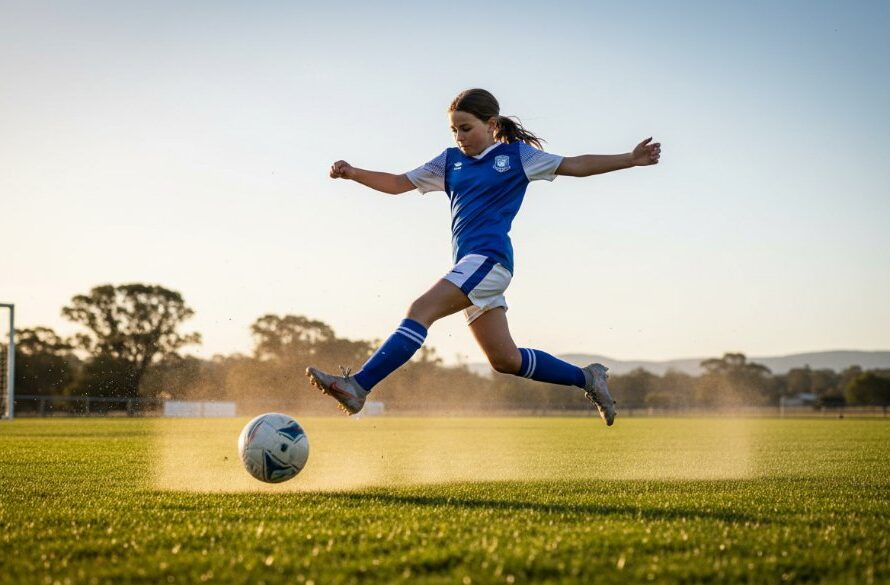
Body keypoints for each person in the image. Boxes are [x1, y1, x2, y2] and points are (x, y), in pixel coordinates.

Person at [307, 88, 661, 426]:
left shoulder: (518, 156)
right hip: (470, 267)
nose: (459, 136)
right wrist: (354, 174)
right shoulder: (449, 162)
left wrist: (630, 159)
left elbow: (575, 164)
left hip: (489, 259)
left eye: (466, 128)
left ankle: (359, 387)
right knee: (504, 360)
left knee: (420, 310)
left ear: (491, 125)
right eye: (454, 130)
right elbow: (400, 182)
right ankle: (588, 377)